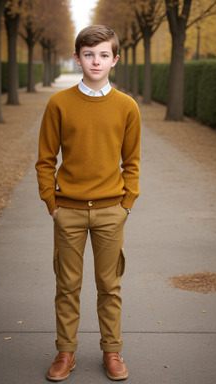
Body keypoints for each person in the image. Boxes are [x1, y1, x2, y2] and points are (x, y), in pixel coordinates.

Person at [35, 25, 141, 382]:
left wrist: (127, 202)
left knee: (110, 286)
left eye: (104, 55)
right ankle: (66, 352)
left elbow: (133, 161)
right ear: (78, 57)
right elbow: (45, 159)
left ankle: (112, 351)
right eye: (89, 54)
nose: (96, 61)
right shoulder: (59, 104)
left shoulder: (127, 107)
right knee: (66, 286)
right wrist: (52, 203)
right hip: (69, 211)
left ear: (115, 59)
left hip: (112, 211)